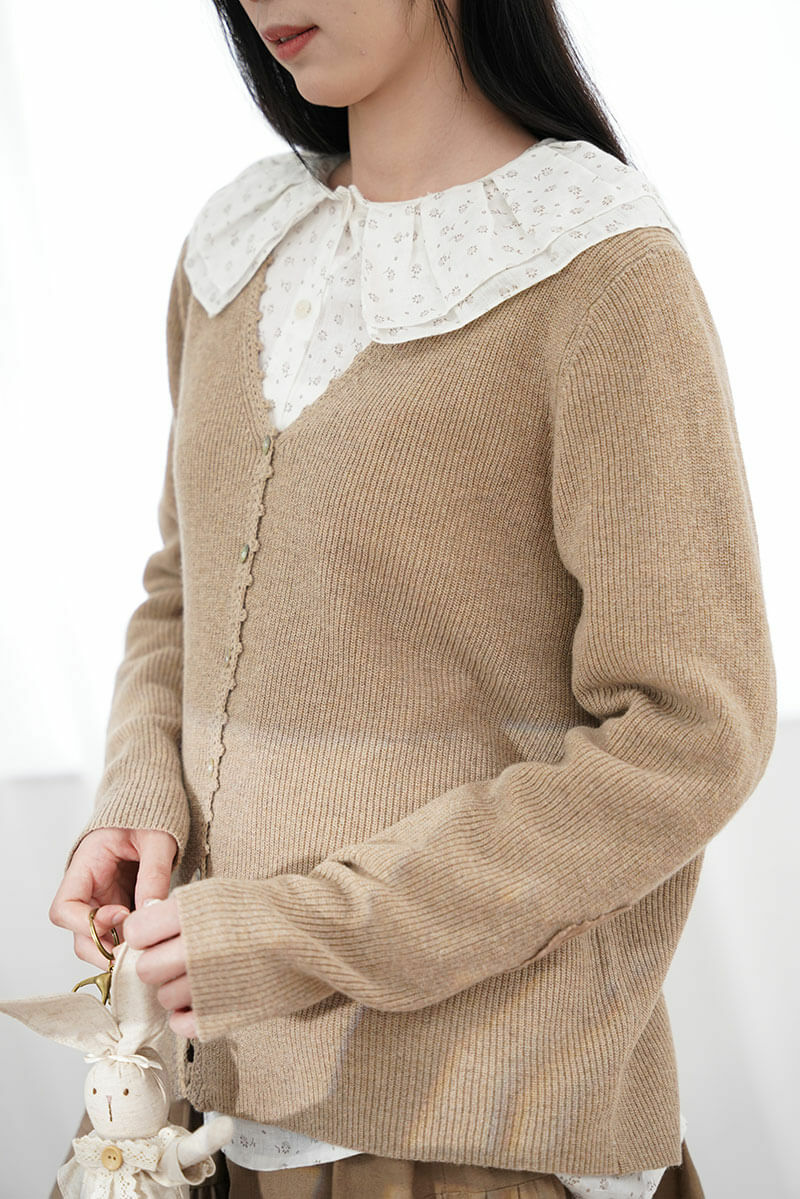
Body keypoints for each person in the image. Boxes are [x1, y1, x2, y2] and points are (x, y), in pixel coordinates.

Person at [48, 1, 776, 1197]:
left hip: (463, 1127)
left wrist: (293, 934)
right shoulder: (235, 245)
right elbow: (182, 584)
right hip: (193, 1107)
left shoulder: (596, 268)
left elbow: (689, 733)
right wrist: (137, 800)